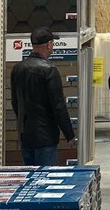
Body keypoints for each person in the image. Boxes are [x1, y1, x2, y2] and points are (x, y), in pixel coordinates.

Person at [10, 27, 75, 165]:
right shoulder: (50, 70)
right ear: (49, 45)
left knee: (30, 175)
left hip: (26, 135)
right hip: (46, 136)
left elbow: (15, 102)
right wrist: (69, 134)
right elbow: (58, 106)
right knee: (45, 175)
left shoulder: (17, 68)